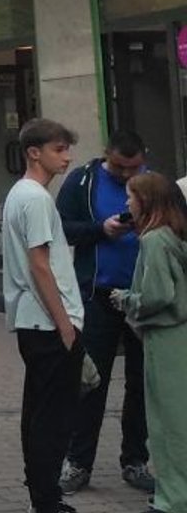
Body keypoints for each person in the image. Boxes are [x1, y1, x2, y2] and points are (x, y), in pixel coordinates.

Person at [55, 131, 155, 497]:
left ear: (144, 157)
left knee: (142, 384)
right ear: (105, 156)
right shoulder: (82, 182)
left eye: (134, 167)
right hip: (99, 297)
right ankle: (78, 462)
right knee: (91, 383)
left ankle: (135, 460)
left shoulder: (154, 182)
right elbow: (62, 228)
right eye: (119, 168)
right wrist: (102, 229)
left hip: (145, 300)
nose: (129, 176)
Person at [1, 119, 86, 513]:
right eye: (58, 149)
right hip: (47, 322)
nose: (66, 157)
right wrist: (65, 325)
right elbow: (39, 265)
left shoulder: (22, 194)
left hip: (34, 322)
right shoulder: (34, 197)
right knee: (53, 415)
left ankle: (42, 492)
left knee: (39, 411)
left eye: (67, 149)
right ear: (34, 152)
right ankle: (46, 498)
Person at [114, 173, 187, 513]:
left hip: (164, 338)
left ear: (146, 201)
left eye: (131, 197)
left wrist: (128, 300)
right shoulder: (175, 235)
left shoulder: (154, 240)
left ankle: (173, 499)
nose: (127, 203)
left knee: (168, 425)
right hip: (180, 335)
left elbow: (158, 295)